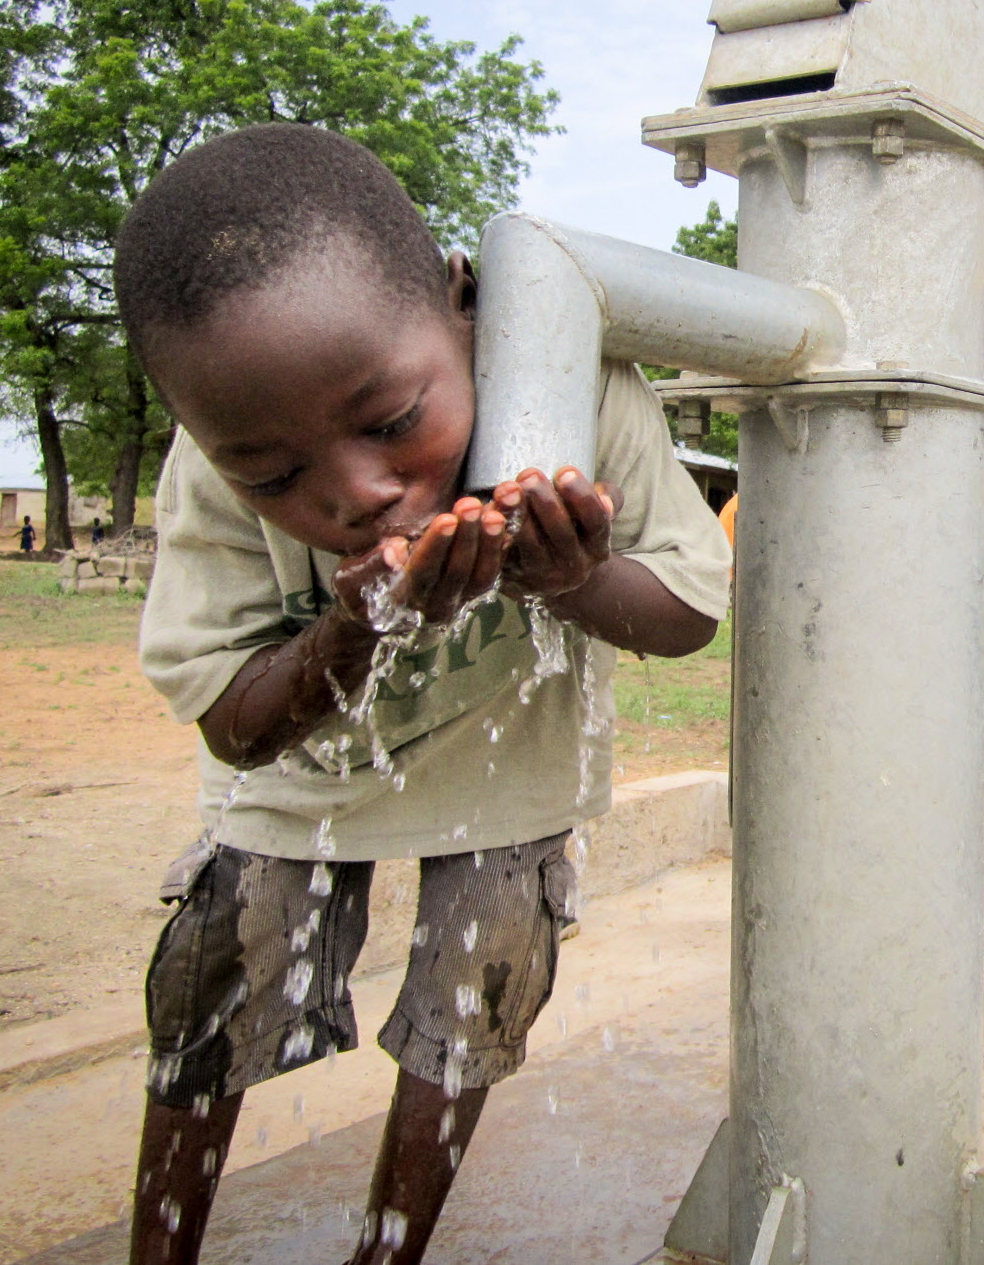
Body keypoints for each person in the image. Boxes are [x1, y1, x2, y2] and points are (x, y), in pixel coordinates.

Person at [112, 123, 730, 1263]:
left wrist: (575, 581)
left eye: (394, 422)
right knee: (216, 987)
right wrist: (355, 628)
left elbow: (687, 614)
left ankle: (388, 1250)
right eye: (274, 477)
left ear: (459, 310)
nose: (356, 491)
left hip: (509, 760)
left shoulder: (573, 383)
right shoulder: (212, 464)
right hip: (306, 773)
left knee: (477, 993)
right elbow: (237, 724)